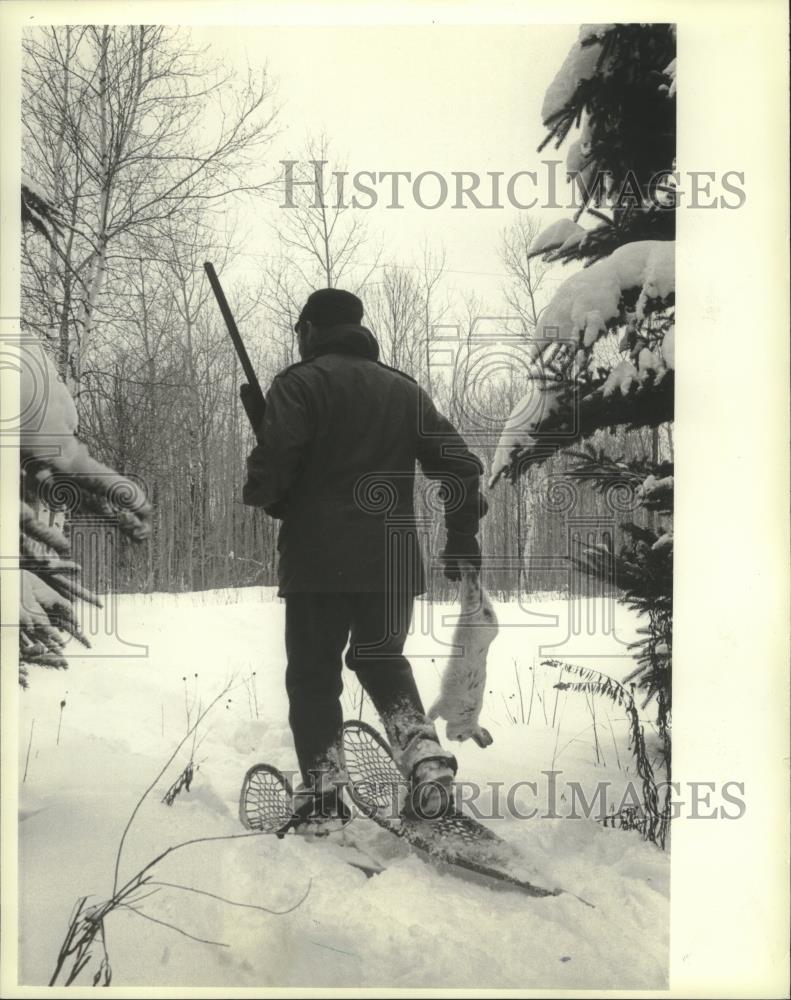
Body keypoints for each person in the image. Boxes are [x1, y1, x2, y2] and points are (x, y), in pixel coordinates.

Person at [242, 288, 486, 831]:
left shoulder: (298, 384)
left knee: (313, 677)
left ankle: (325, 796)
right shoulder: (405, 390)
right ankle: (425, 763)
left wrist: (265, 478)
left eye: (298, 331)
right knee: (382, 661)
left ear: (308, 329)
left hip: (318, 559)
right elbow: (461, 466)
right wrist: (460, 534)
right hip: (395, 560)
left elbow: (271, 479)